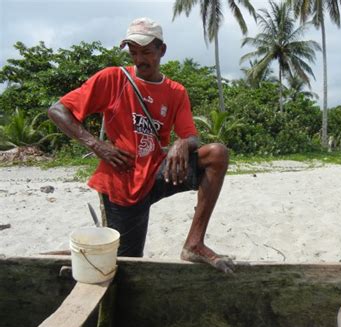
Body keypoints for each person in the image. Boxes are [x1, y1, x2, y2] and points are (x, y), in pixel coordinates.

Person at [48, 18, 235, 273]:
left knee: (217, 154)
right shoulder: (113, 78)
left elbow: (192, 136)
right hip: (123, 181)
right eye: (134, 52)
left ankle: (194, 244)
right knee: (125, 264)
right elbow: (58, 110)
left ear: (162, 50)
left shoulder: (175, 92)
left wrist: (182, 142)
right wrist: (97, 145)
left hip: (160, 172)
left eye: (147, 52)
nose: (140, 59)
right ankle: (69, 258)